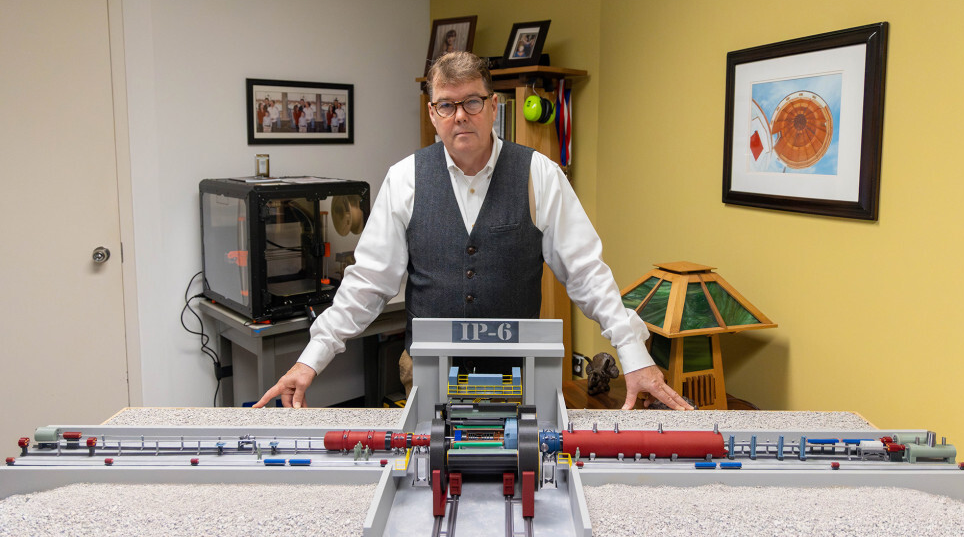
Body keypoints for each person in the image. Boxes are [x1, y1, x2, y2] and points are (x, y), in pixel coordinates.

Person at [253, 51, 692, 412]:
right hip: (427, 375)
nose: (460, 116)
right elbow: (368, 284)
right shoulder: (405, 179)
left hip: (521, 373)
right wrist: (310, 361)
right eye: (447, 105)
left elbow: (587, 274)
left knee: (525, 483)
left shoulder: (539, 174)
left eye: (472, 102)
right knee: (431, 482)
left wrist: (633, 355)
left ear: (494, 105)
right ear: (432, 112)